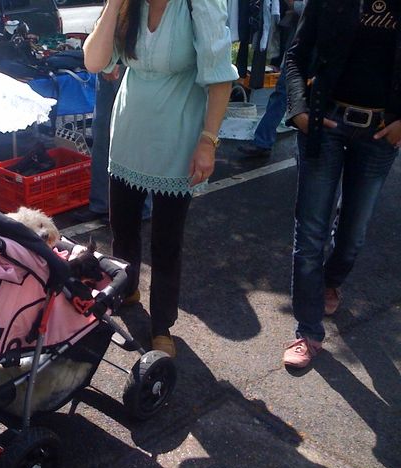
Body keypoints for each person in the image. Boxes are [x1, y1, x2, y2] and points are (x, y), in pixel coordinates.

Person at [83, 0, 238, 357]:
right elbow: (95, 61)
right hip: (129, 127)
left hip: (179, 129)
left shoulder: (199, 4)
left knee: (166, 242)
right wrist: (114, 5)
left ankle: (162, 325)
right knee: (121, 226)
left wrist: (208, 140)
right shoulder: (128, 6)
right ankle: (127, 287)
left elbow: (220, 77)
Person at [282, 0, 401, 368]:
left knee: (353, 235)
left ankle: (331, 279)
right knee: (311, 233)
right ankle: (308, 331)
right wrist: (299, 109)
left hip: (380, 132)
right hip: (325, 123)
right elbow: (295, 58)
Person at [73, 65, 152, 223]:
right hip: (110, 57)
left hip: (134, 60)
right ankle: (101, 204)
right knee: (102, 133)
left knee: (136, 134)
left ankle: (142, 206)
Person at [237, 0, 306, 158]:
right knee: (282, 93)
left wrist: (291, 4)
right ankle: (263, 141)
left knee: (283, 93)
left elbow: (308, 9)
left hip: (311, 50)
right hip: (301, 47)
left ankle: (263, 141)